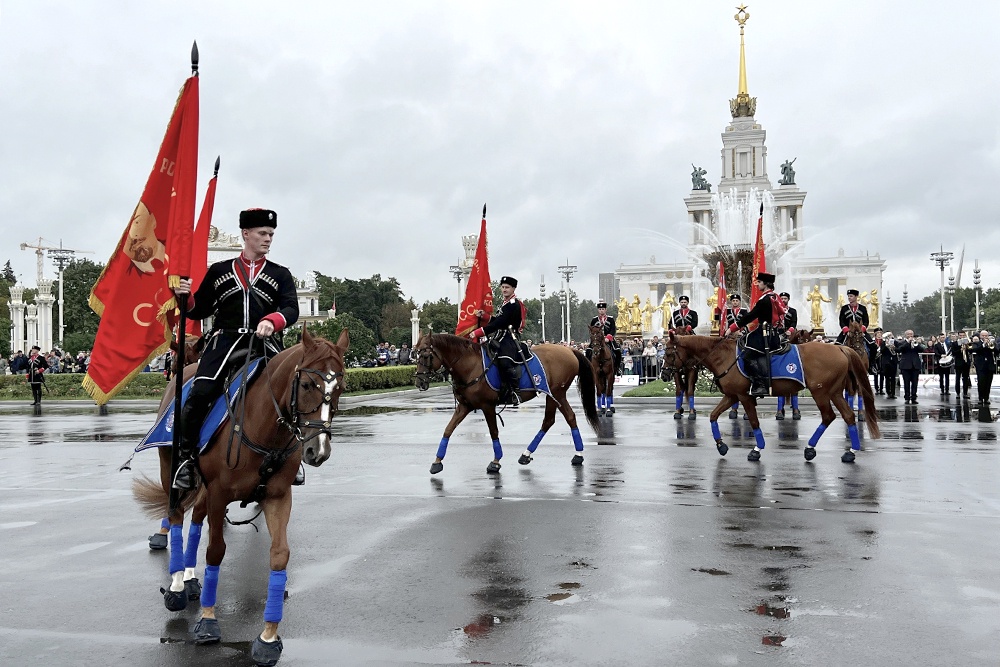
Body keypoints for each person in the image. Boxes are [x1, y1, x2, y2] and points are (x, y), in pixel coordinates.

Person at [170, 208, 299, 491]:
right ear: (246, 234)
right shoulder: (219, 271)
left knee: (291, 393)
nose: (268, 239)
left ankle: (292, 457)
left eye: (271, 234)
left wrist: (272, 320)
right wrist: (186, 298)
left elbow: (291, 308)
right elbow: (200, 309)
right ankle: (186, 460)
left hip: (264, 344)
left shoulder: (280, 274)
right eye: (263, 234)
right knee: (199, 394)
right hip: (225, 344)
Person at [726, 272, 785, 398]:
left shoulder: (765, 299)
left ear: (766, 283)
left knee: (747, 355)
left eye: (759, 282)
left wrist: (732, 328)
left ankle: (760, 385)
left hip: (764, 334)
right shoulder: (774, 297)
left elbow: (751, 316)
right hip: (771, 332)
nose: (757, 284)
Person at [469, 276, 526, 405]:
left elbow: (500, 323)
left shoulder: (513, 304)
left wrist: (477, 332)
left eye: (507, 287)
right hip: (500, 336)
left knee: (505, 361)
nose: (504, 289)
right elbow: (498, 321)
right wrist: (485, 316)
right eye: (503, 287)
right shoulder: (505, 303)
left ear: (513, 289)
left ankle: (515, 392)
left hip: (510, 337)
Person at [590, 300, 622, 373]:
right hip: (597, 340)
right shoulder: (594, 320)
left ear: (605, 310)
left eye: (603, 309)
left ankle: (617, 368)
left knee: (617, 351)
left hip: (608, 339)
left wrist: (608, 337)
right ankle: (589, 369)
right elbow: (592, 330)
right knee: (588, 351)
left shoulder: (610, 319)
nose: (601, 311)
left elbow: (613, 329)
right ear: (598, 310)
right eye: (600, 309)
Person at [895, 330, 925, 405]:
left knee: (915, 383)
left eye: (911, 334)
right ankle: (907, 398)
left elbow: (922, 349)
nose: (910, 335)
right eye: (908, 334)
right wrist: (908, 342)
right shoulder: (902, 342)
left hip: (915, 365)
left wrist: (917, 343)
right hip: (905, 365)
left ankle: (914, 397)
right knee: (906, 383)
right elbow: (899, 350)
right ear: (905, 335)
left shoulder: (915, 342)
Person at [971, 330, 999, 407]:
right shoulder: (977, 343)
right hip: (980, 365)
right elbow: (974, 350)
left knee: (988, 382)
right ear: (980, 336)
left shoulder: (991, 342)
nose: (984, 337)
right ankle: (980, 398)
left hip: (989, 365)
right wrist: (983, 345)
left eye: (986, 336)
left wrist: (992, 347)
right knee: (981, 382)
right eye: (983, 336)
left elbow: (997, 352)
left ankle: (986, 398)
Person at [953, 330, 972, 400]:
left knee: (966, 378)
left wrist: (967, 347)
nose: (962, 337)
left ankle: (965, 393)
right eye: (960, 335)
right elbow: (954, 353)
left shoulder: (967, 343)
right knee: (958, 378)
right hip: (958, 363)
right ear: (958, 336)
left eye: (963, 335)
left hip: (966, 362)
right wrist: (960, 350)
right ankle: (958, 393)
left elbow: (971, 350)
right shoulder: (955, 343)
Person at [879, 331, 899, 399]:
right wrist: (886, 346)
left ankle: (893, 393)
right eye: (889, 336)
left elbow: (898, 349)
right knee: (887, 377)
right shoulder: (883, 343)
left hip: (893, 361)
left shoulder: (895, 342)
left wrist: (894, 347)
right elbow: (881, 351)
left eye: (891, 335)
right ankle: (888, 392)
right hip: (886, 362)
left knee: (893, 377)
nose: (890, 337)